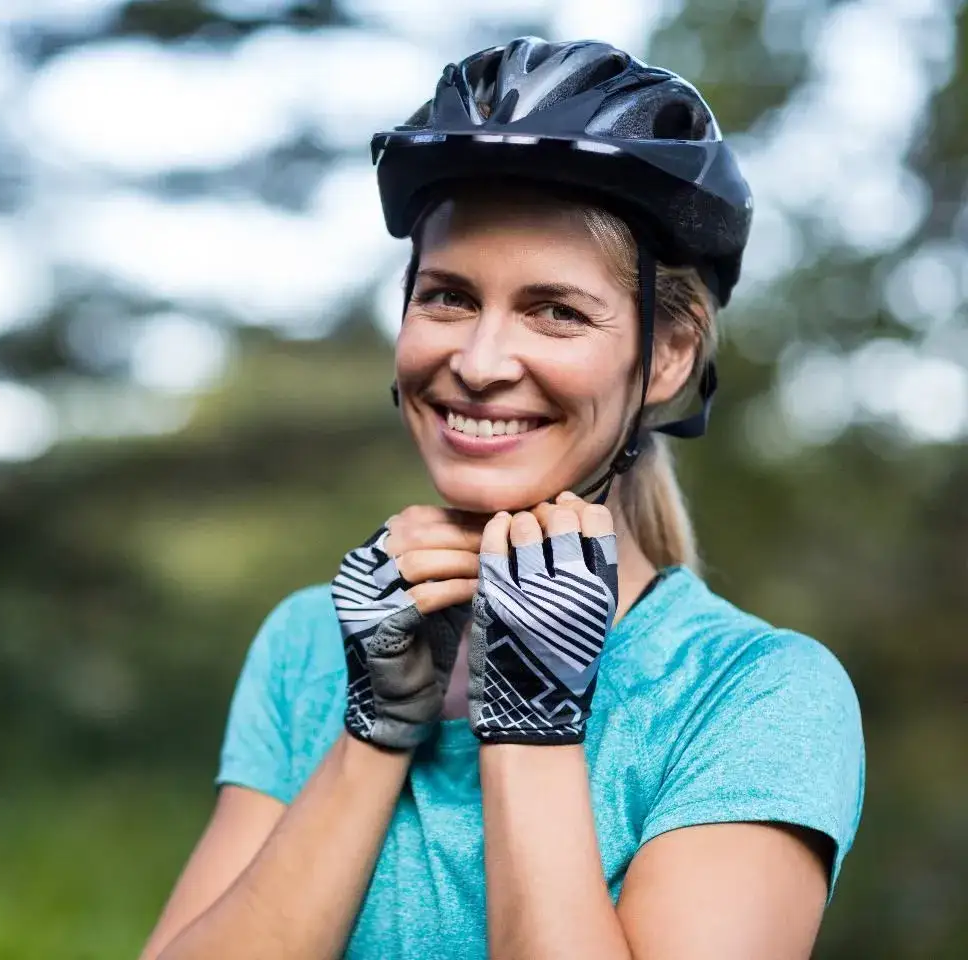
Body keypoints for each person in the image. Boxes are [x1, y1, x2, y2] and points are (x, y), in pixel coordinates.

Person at [140, 37, 864, 960]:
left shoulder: (751, 693)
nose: (478, 364)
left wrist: (528, 721)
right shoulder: (309, 644)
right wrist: (372, 733)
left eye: (555, 310)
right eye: (446, 297)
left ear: (670, 355)